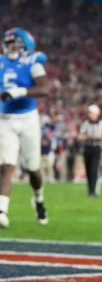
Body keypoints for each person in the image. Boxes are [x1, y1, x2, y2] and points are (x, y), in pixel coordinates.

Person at [0, 27, 50, 228]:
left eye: (16, 44)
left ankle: (38, 199)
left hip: (28, 118)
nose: (11, 47)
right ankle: (2, 210)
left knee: (33, 168)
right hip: (4, 119)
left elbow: (44, 88)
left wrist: (20, 91)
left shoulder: (33, 62)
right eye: (8, 43)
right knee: (6, 166)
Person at [78, 105, 102, 197]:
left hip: (96, 148)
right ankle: (90, 191)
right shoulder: (85, 123)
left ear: (96, 114)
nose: (89, 115)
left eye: (91, 113)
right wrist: (89, 137)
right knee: (88, 170)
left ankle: (94, 191)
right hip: (87, 148)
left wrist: (98, 137)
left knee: (94, 169)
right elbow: (80, 136)